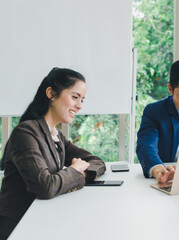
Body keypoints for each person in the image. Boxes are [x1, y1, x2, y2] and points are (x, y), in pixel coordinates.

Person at [0, 68, 106, 239]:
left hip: (42, 219)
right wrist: (74, 172)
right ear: (51, 93)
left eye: (82, 100)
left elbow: (97, 161)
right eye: (75, 97)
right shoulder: (26, 132)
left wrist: (80, 171)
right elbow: (45, 186)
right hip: (18, 226)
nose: (79, 106)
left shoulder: (56, 136)